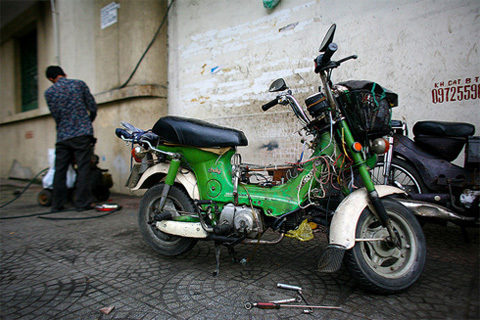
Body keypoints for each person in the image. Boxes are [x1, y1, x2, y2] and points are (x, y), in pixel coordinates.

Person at [44, 66, 97, 212]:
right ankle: (82, 203)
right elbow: (92, 107)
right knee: (83, 168)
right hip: (81, 133)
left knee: (60, 170)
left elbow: (56, 115)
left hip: (62, 135)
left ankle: (57, 204)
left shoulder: (49, 92)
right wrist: (87, 122)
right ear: (64, 74)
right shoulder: (78, 84)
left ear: (50, 79)